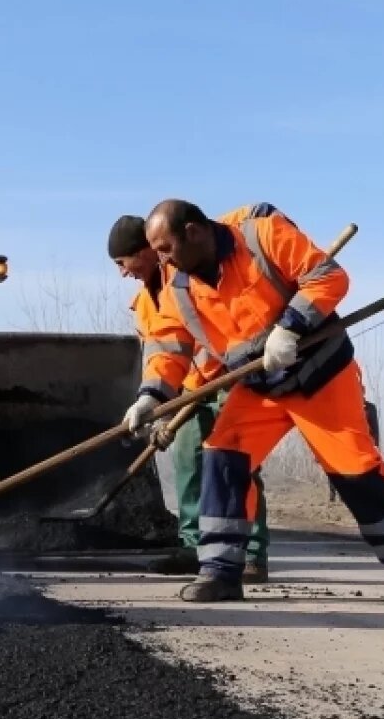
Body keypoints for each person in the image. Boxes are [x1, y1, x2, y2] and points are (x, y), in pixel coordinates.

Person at [125, 199, 384, 604]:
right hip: (261, 387)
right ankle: (221, 572)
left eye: (166, 248)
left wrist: (290, 327)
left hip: (321, 377)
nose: (161, 259)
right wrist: (150, 396)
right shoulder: (177, 286)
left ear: (194, 231)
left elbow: (328, 277)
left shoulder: (262, 236)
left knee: (356, 470)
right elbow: (169, 348)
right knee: (222, 455)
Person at [108, 206, 274, 583]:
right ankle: (192, 545)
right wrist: (156, 403)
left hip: (228, 377)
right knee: (187, 462)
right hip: (187, 388)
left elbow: (255, 214)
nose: (122, 272)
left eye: (124, 261)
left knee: (236, 463)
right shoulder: (144, 303)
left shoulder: (189, 275)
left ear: (148, 249)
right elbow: (163, 353)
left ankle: (251, 553)